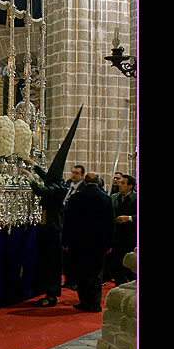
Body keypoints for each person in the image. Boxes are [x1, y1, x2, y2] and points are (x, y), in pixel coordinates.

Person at [20, 106, 83, 308]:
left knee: (51, 264)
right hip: (48, 228)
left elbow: (43, 190)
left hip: (53, 230)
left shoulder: (59, 188)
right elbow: (47, 178)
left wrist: (30, 177)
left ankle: (52, 295)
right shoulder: (56, 182)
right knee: (45, 263)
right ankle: (47, 291)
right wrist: (34, 165)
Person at [61, 172, 115, 312]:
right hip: (99, 243)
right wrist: (110, 243)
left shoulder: (76, 198)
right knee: (96, 273)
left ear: (85, 182)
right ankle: (95, 304)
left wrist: (65, 240)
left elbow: (68, 221)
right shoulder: (106, 198)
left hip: (79, 242)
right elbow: (110, 223)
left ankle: (84, 302)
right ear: (98, 182)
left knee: (82, 273)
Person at [61, 164, 85, 289]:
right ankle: (69, 280)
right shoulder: (69, 186)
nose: (74, 175)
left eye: (77, 173)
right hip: (66, 222)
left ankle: (75, 281)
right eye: (73, 172)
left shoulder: (83, 189)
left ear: (82, 175)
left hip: (77, 227)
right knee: (67, 258)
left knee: (76, 257)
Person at [111, 174, 137, 286]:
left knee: (131, 268)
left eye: (123, 183)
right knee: (117, 267)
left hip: (131, 238)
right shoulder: (114, 198)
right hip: (117, 238)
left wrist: (129, 218)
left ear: (130, 186)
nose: (119, 185)